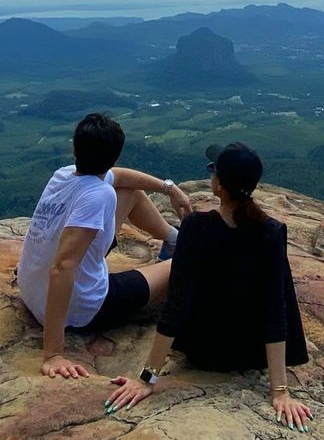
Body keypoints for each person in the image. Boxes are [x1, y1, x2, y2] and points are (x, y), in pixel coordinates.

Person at [104, 142, 313, 432]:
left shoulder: (196, 228)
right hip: (250, 354)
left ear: (219, 186)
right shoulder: (271, 231)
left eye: (214, 170)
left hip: (202, 349)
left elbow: (177, 304)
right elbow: (274, 309)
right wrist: (279, 391)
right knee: (277, 285)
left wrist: (147, 379)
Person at [17, 112, 192, 379]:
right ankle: (181, 249)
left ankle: (173, 240)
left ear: (75, 149)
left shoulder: (62, 175)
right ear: (115, 155)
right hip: (83, 309)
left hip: (32, 291)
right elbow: (63, 267)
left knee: (130, 191)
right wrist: (53, 353)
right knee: (189, 261)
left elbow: (121, 178)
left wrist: (169, 188)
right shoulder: (98, 194)